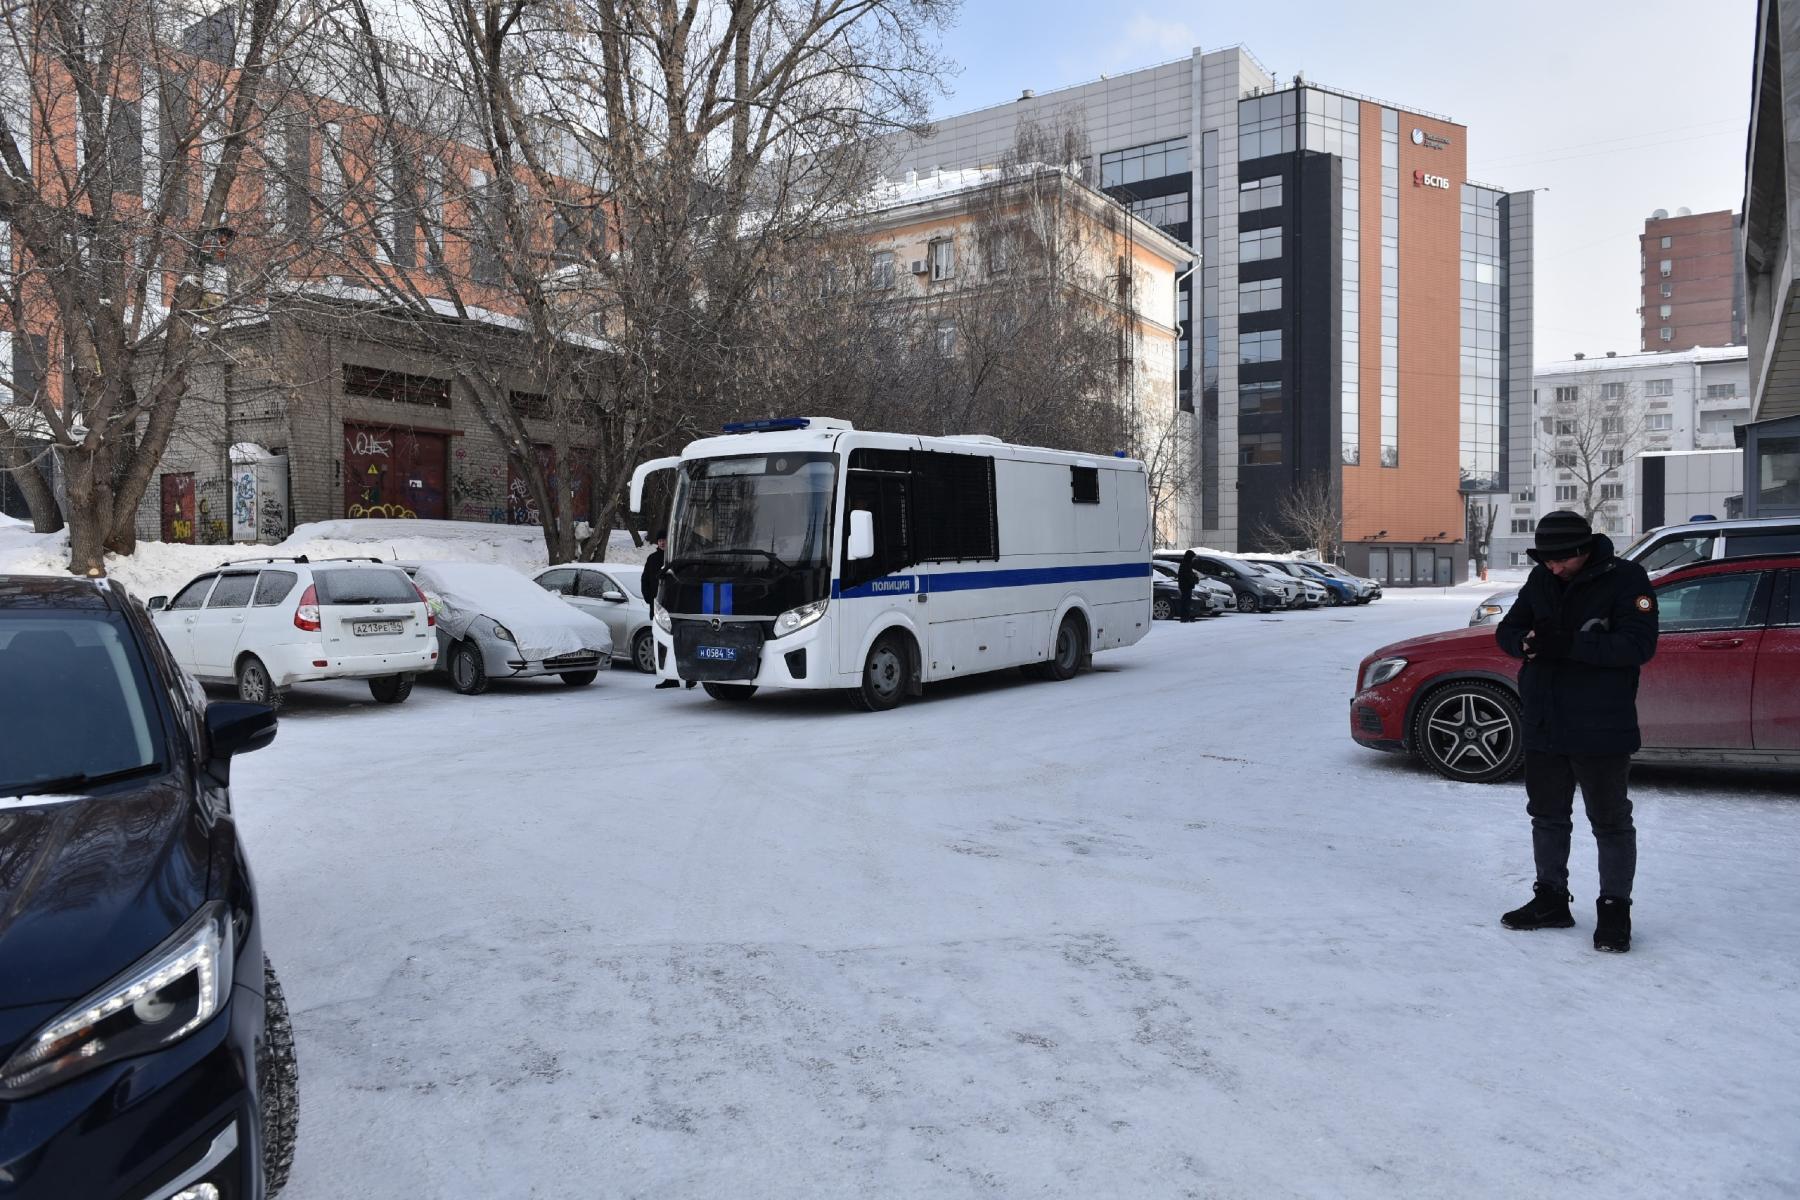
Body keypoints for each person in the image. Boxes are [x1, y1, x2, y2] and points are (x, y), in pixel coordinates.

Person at [1495, 510, 1658, 953]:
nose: (1552, 567)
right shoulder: (1543, 579)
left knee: (1610, 823)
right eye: (1545, 560)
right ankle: (1550, 900)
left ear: (1583, 550)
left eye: (1560, 560)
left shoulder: (1627, 580)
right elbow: (1507, 629)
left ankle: (1614, 911)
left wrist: (1569, 643)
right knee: (1546, 817)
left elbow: (1639, 645)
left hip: (1601, 724)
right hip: (1544, 720)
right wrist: (1523, 641)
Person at [641, 532, 693, 690]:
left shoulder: (677, 558)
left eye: (665, 540)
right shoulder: (652, 559)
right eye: (660, 540)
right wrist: (650, 599)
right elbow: (645, 580)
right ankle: (670, 677)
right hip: (658, 608)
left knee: (684, 642)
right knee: (663, 642)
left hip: (677, 608)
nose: (662, 543)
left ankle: (690, 676)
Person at [1177, 551, 1199, 623]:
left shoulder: (1187, 564)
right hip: (1186, 587)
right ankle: (1185, 617)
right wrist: (1194, 579)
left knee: (1186, 602)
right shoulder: (1185, 565)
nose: (1193, 559)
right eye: (1193, 557)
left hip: (1186, 586)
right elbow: (1187, 577)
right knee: (1185, 602)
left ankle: (1186, 617)